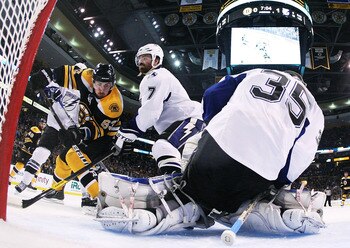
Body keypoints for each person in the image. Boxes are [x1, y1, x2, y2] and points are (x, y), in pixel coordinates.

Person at [94, 0, 326, 236]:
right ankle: (268, 209)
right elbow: (301, 156)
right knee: (239, 198)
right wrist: (275, 184)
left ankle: (178, 205)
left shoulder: (256, 73)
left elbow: (213, 94)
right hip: (261, 172)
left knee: (192, 184)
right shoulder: (315, 110)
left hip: (216, 153)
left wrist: (215, 129)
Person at [15, 63, 123, 207]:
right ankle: (58, 190)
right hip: (84, 126)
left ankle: (97, 197)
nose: (102, 89)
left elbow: (98, 129)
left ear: (113, 84)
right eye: (98, 83)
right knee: (62, 160)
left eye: (106, 85)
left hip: (105, 138)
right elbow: (67, 72)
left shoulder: (113, 104)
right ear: (93, 79)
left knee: (73, 156)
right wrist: (47, 75)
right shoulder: (87, 76)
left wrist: (79, 134)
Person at [116, 43, 203, 174]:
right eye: (139, 58)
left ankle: (171, 187)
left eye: (145, 58)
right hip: (187, 122)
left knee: (162, 146)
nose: (140, 61)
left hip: (190, 120)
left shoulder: (157, 76)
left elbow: (150, 115)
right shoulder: (154, 78)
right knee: (184, 165)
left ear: (156, 60)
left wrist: (127, 131)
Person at [9, 118, 47, 189]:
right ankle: (10, 177)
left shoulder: (43, 133)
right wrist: (29, 147)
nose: (42, 125)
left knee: (37, 169)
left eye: (44, 124)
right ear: (39, 123)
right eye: (42, 123)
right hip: (27, 151)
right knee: (20, 164)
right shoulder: (34, 129)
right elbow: (28, 138)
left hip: (35, 153)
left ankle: (32, 183)